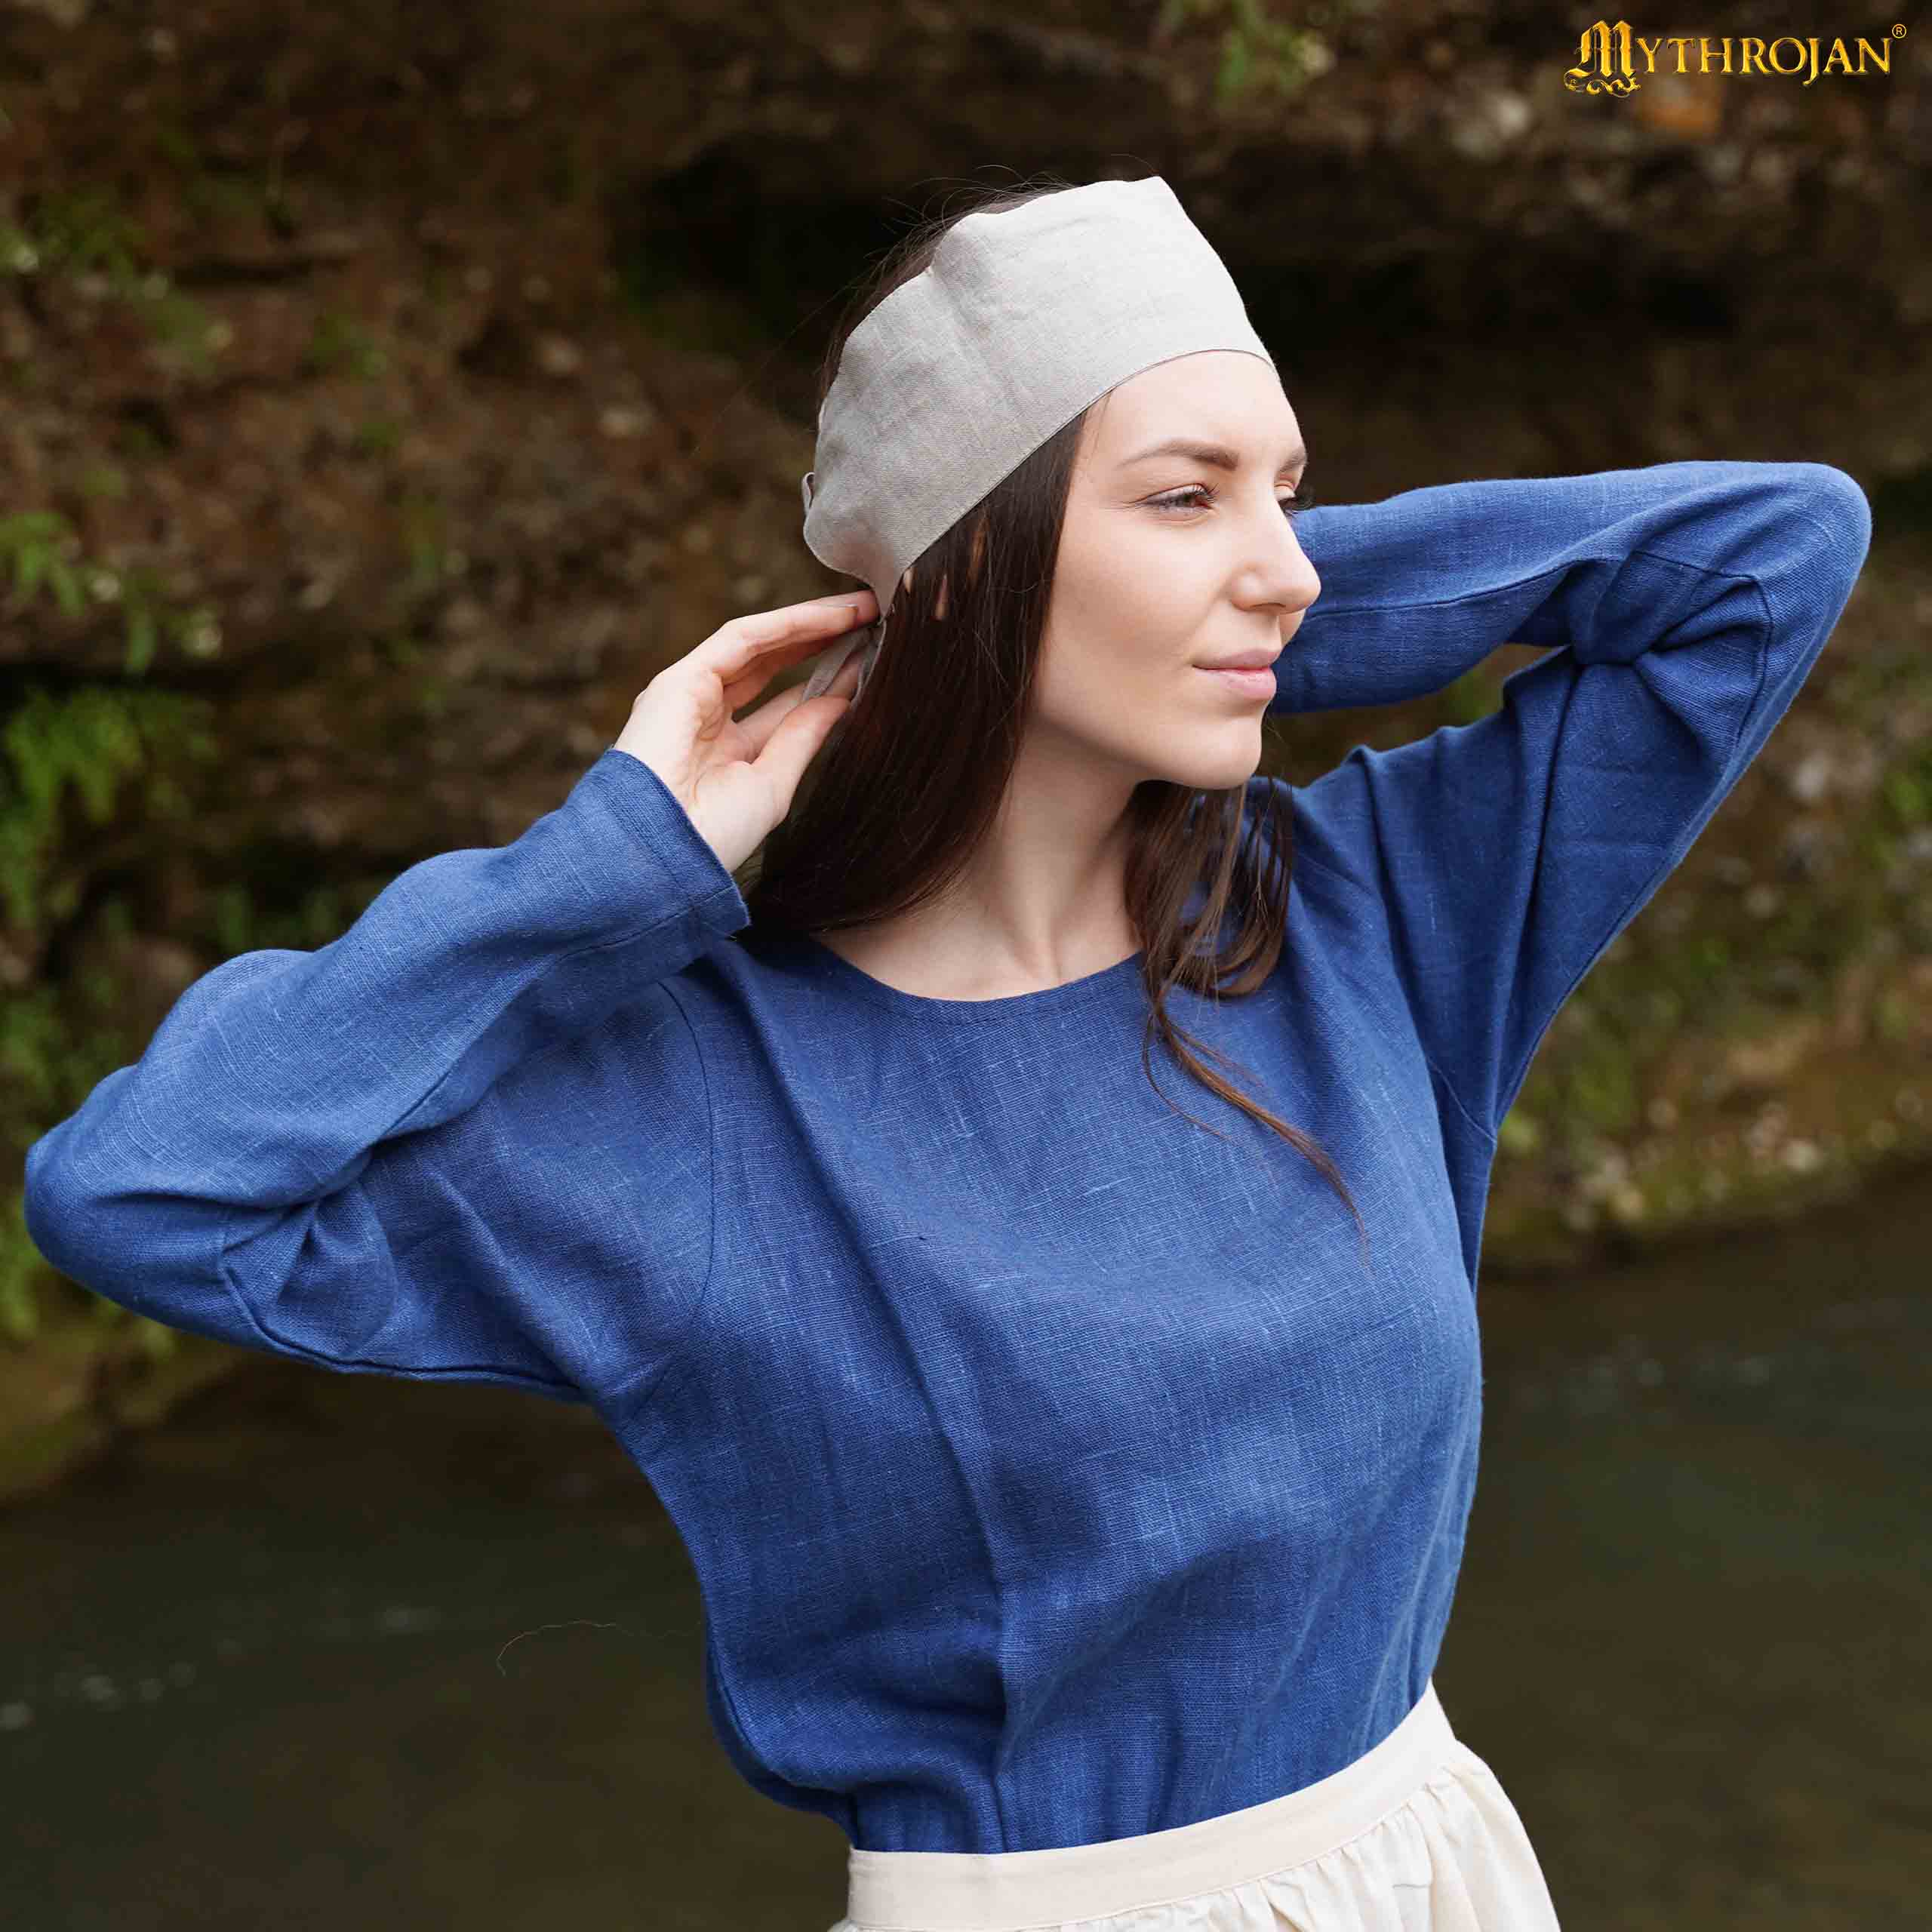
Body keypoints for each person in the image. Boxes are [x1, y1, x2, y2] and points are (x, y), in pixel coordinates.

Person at [23, 174, 1871, 1931]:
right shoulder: (694, 1101)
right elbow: (146, 1190)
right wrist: (602, 870)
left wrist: (1221, 623)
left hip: (1435, 1868)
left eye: (1288, 495)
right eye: (1186, 494)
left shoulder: (1365, 916)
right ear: (978, 554)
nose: (1284, 561)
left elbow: (1769, 551)